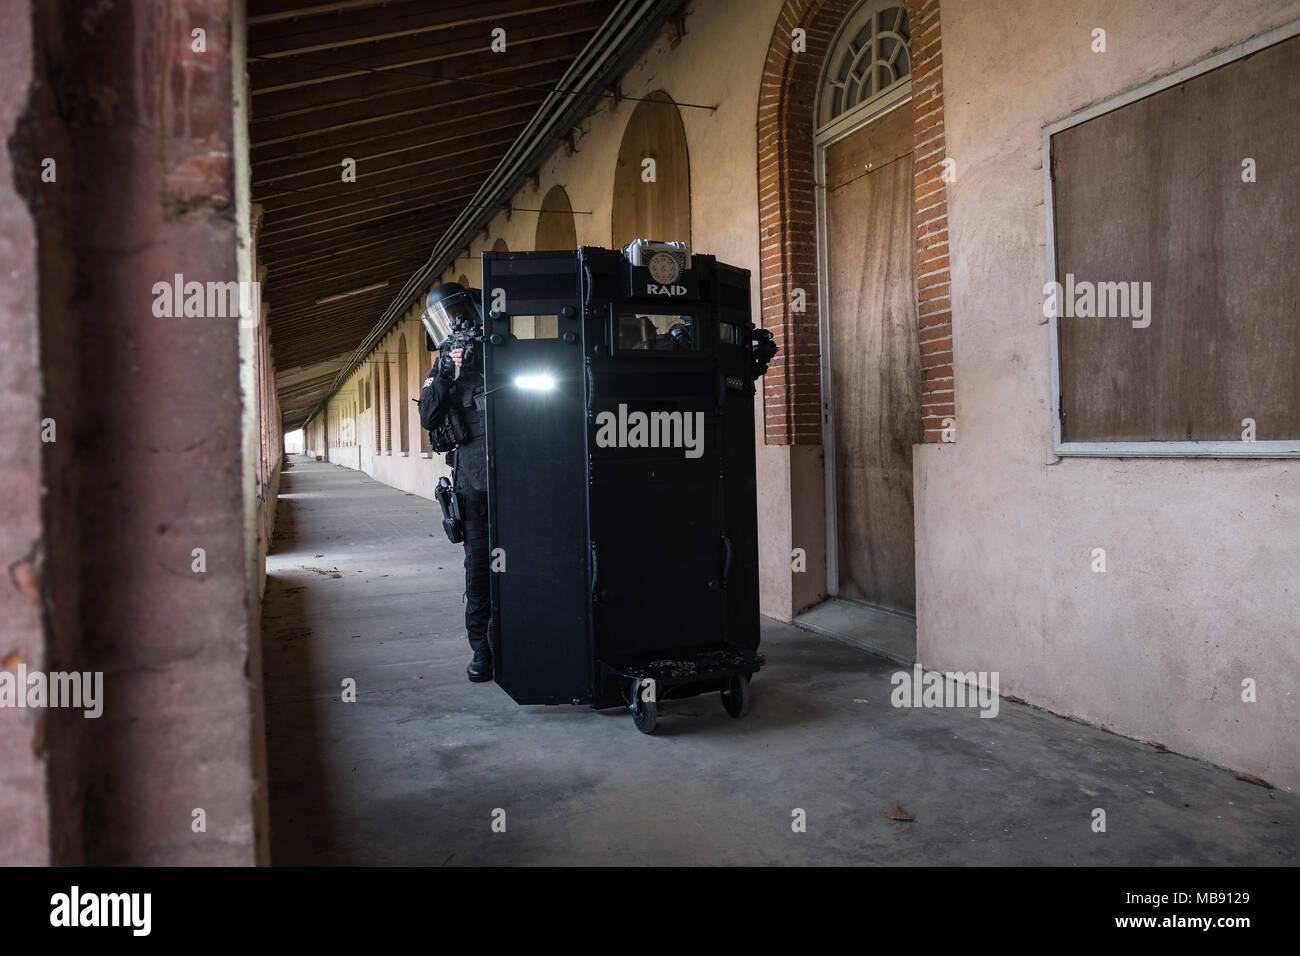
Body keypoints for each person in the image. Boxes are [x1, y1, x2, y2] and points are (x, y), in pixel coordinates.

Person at [417, 282, 492, 683]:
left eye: (458, 313)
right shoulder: (445, 363)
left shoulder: (501, 346)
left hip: (522, 480)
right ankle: (482, 650)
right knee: (479, 573)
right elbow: (428, 416)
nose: (456, 324)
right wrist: (446, 372)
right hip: (474, 485)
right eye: (447, 319)